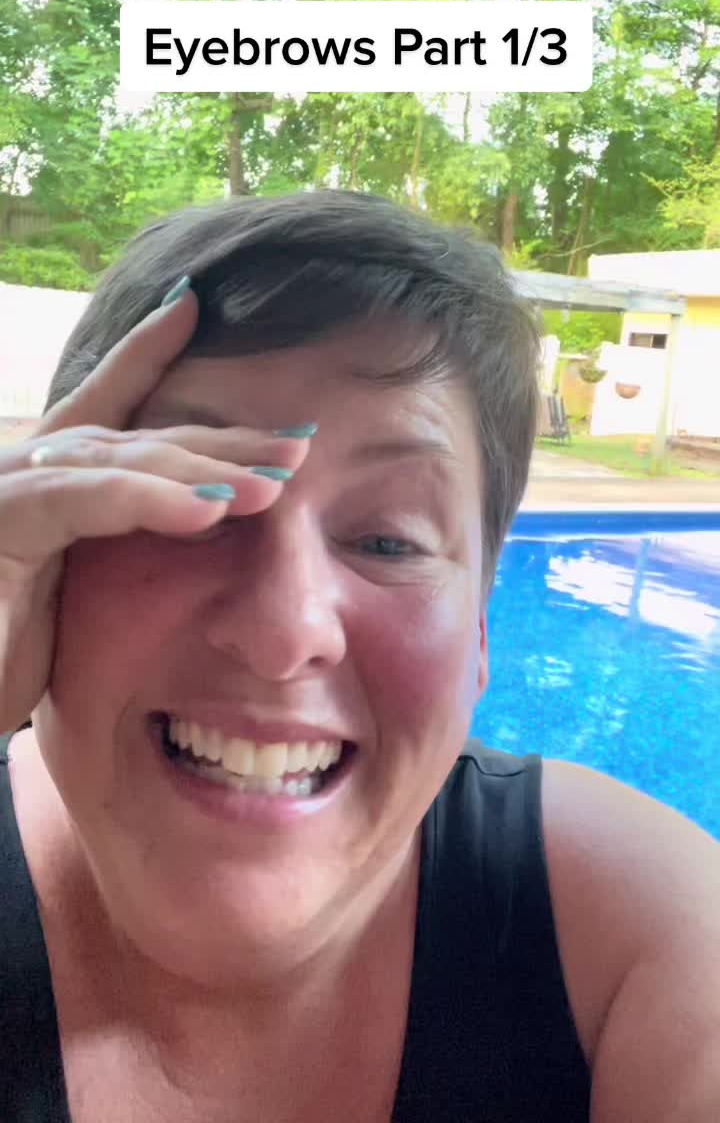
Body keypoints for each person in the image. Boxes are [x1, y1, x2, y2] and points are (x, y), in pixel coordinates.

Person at [0, 190, 717, 1123]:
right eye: (188, 505)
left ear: (481, 635)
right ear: (49, 561)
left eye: (388, 540)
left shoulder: (636, 929)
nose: (283, 630)